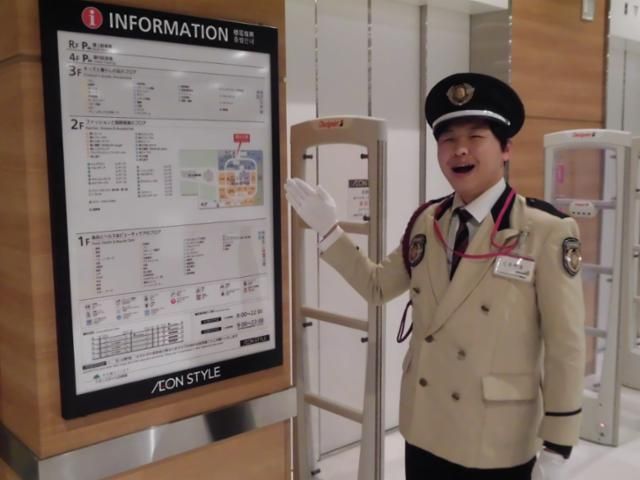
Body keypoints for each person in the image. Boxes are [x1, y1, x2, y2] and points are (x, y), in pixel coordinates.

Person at [285, 72, 585, 480]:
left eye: (476, 137)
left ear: (506, 149)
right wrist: (329, 230)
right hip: (424, 427)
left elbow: (566, 345)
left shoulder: (545, 231)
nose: (460, 150)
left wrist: (558, 444)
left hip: (496, 438)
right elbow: (377, 286)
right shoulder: (429, 221)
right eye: (448, 139)